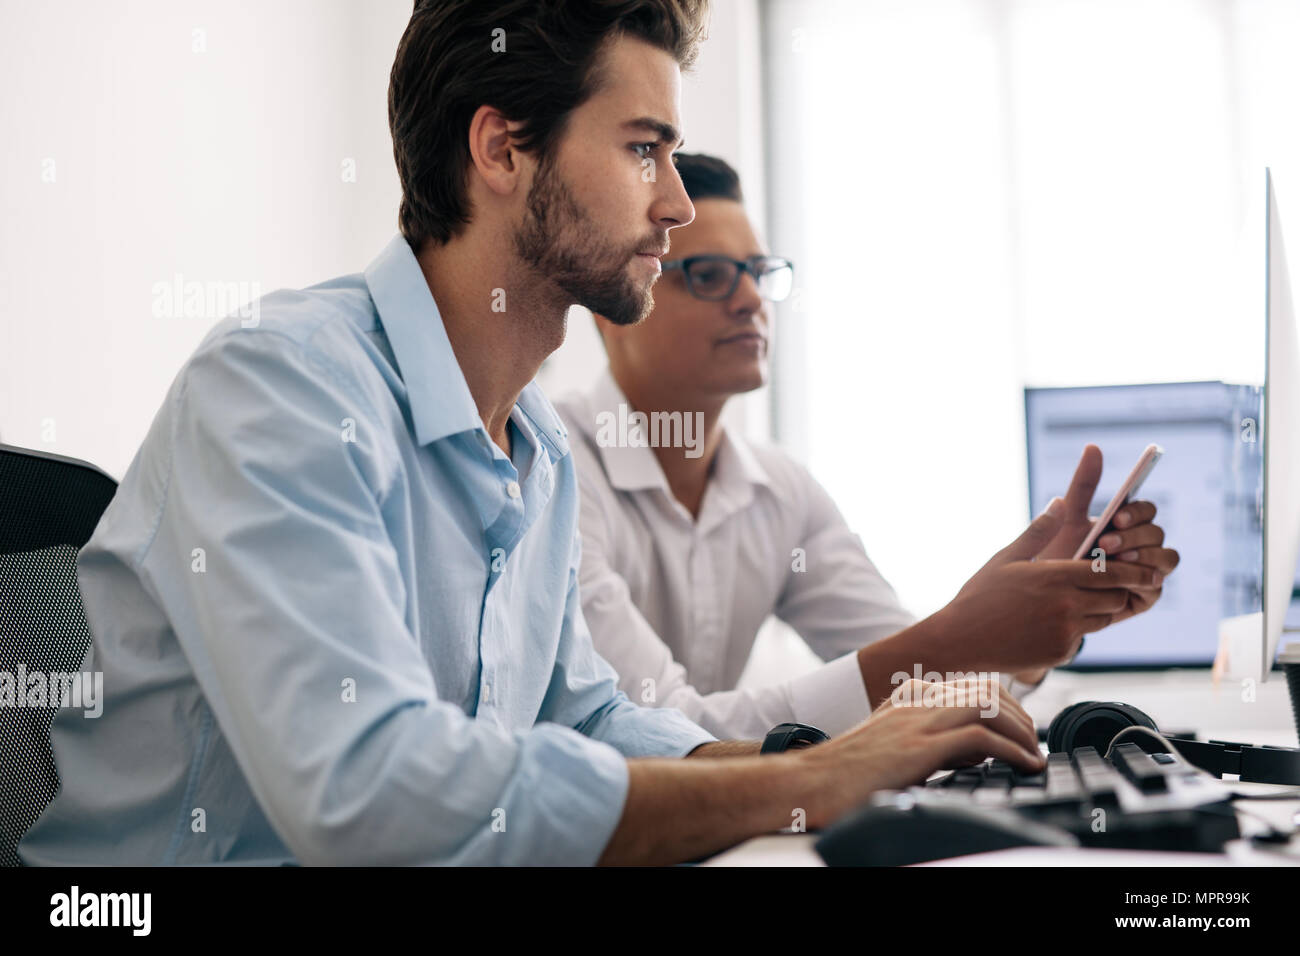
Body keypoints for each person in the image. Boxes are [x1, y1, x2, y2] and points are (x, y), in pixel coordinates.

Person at [19, 1, 1051, 867]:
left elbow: (588, 716)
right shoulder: (280, 385)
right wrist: (803, 782)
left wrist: (849, 759)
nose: (678, 204)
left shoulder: (536, 448)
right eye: (644, 150)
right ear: (502, 148)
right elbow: (366, 791)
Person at [557, 152, 1179, 739]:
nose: (750, 301)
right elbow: (661, 733)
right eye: (712, 276)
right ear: (615, 304)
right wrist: (958, 637)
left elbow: (917, 669)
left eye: (758, 274)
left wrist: (1033, 627)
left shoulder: (781, 492)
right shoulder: (555, 467)